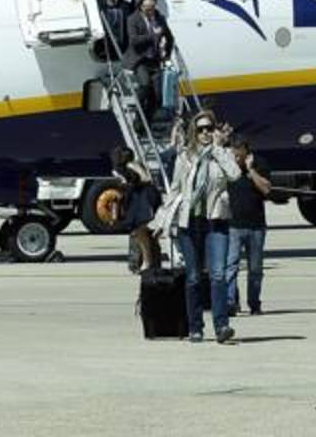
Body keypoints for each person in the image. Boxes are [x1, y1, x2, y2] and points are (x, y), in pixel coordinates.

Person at [155, 111, 241, 344]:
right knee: (193, 277)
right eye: (201, 129)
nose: (205, 133)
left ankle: (222, 326)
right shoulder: (185, 158)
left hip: (215, 221)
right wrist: (162, 219)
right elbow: (175, 190)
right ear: (194, 131)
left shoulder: (222, 155)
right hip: (189, 223)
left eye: (209, 128)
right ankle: (195, 327)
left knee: (218, 275)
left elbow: (235, 175)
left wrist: (218, 150)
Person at [225, 136, 272, 316]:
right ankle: (231, 302)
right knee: (230, 267)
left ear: (247, 153)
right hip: (233, 225)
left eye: (240, 157)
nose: (237, 160)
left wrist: (250, 170)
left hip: (256, 225)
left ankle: (254, 302)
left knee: (255, 269)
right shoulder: (228, 167)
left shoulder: (260, 163)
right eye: (234, 156)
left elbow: (266, 189)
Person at [125, 0, 174, 126]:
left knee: (157, 96)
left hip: (155, 60)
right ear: (141, 6)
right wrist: (153, 36)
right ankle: (138, 115)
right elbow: (134, 41)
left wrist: (167, 55)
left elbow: (170, 38)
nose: (150, 11)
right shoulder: (132, 19)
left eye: (152, 8)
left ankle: (145, 121)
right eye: (148, 8)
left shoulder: (159, 18)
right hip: (140, 60)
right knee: (145, 85)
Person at [111, 146, 160, 273]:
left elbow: (146, 179)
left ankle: (147, 262)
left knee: (142, 233)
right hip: (135, 202)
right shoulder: (120, 170)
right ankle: (144, 262)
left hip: (141, 202)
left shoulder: (130, 168)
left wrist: (136, 167)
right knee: (139, 234)